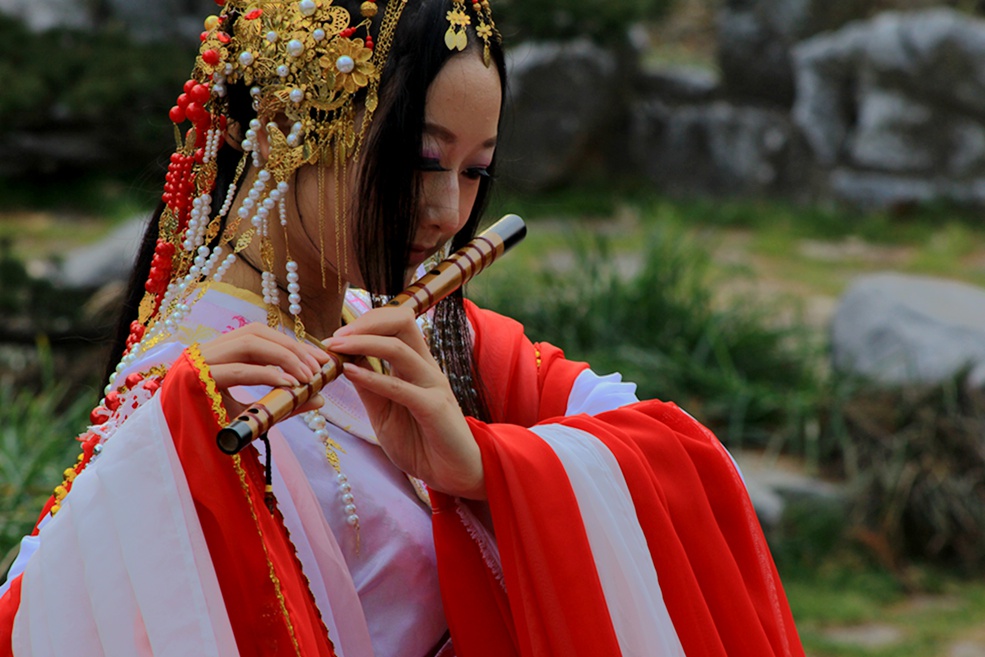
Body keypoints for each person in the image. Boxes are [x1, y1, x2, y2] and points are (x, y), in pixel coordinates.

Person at [0, 0, 805, 655]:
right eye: (423, 161)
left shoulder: (415, 336)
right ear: (287, 128)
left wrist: (487, 466)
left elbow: (682, 463)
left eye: (476, 171)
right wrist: (173, 448)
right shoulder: (189, 402)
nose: (450, 212)